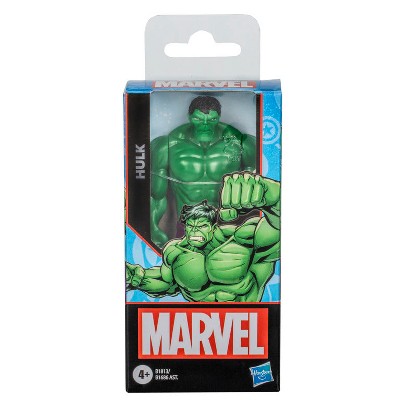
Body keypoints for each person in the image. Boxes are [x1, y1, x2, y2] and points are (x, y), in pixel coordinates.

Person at [127, 172, 280, 302]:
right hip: (193, 324)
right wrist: (138, 279)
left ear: (213, 227)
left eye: (201, 226)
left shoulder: (245, 240)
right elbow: (165, 282)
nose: (194, 231)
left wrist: (272, 196)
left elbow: (278, 228)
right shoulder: (174, 252)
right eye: (190, 226)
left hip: (247, 322)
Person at [151, 96, 256, 247]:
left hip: (227, 227)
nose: (205, 126)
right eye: (198, 119)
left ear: (219, 117)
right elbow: (156, 196)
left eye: (212, 120)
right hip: (188, 227)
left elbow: (254, 187)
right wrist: (153, 228)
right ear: (189, 117)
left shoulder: (241, 143)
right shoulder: (167, 145)